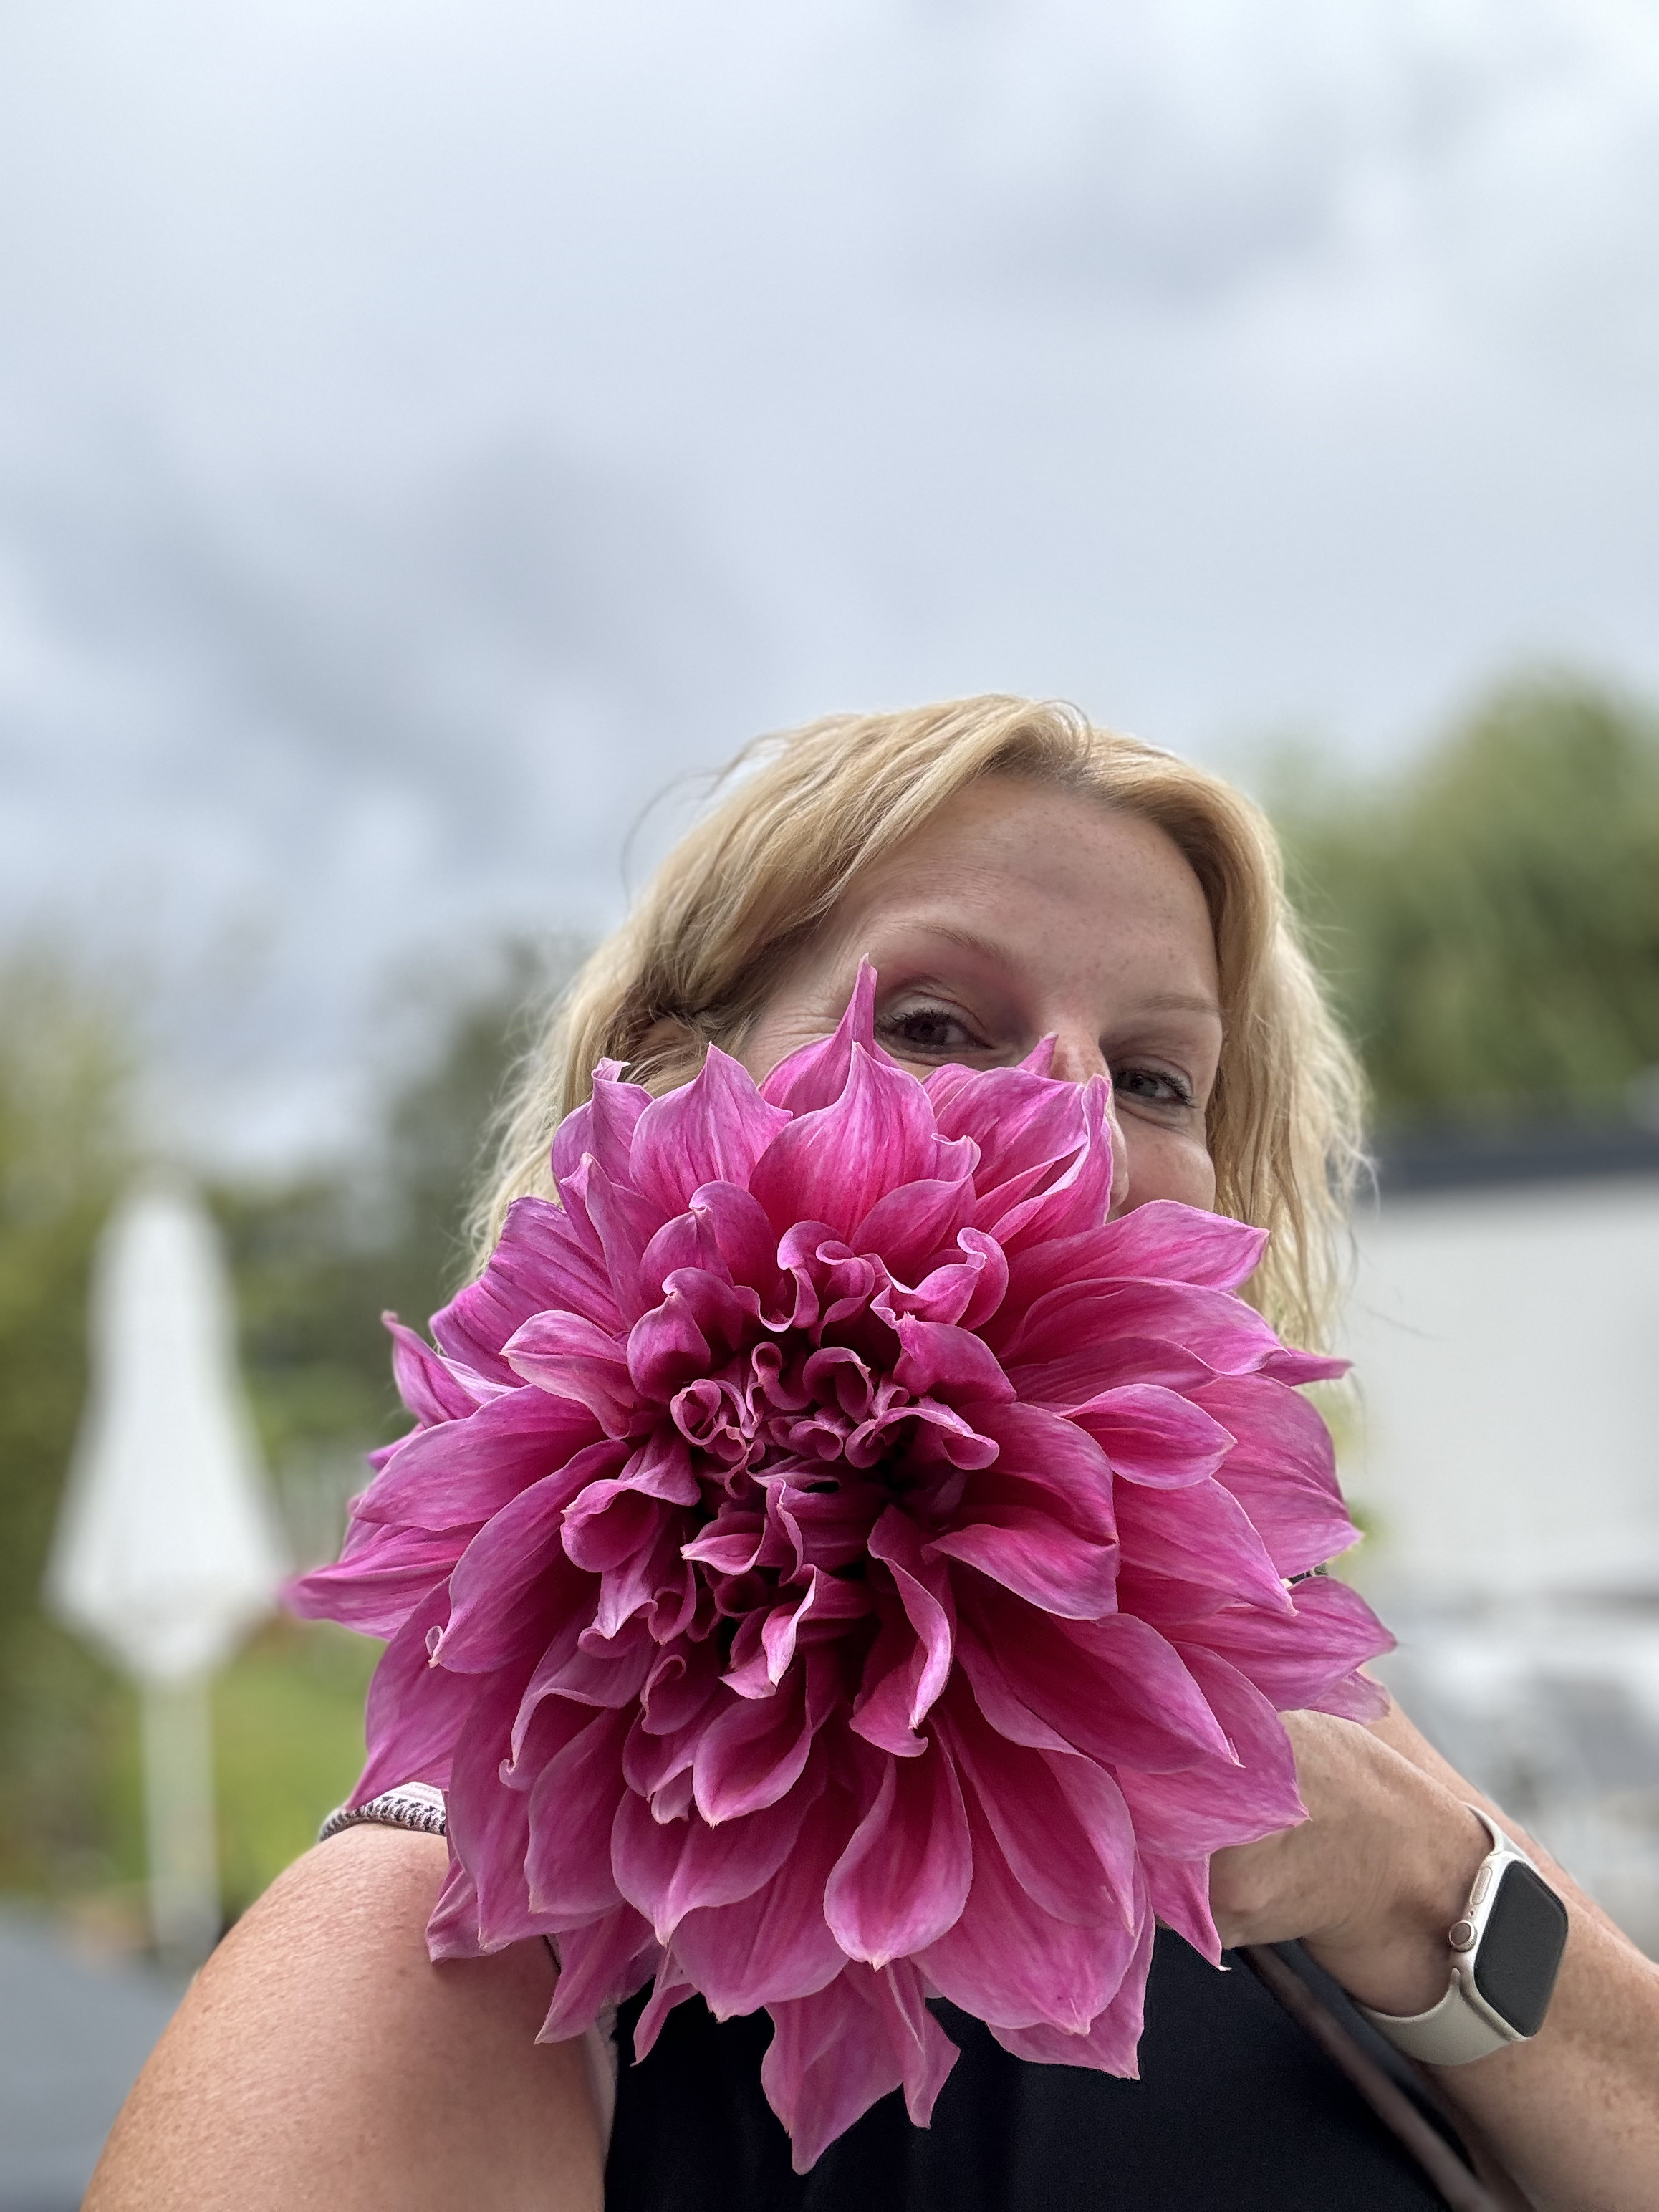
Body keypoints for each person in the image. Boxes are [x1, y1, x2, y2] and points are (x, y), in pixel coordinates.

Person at [88, 697, 1659, 2210]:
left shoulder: (1310, 1733)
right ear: (659, 1086)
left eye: (1156, 1072)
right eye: (932, 1022)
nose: (1073, 1117)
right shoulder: (438, 1935)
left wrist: (1407, 1879)